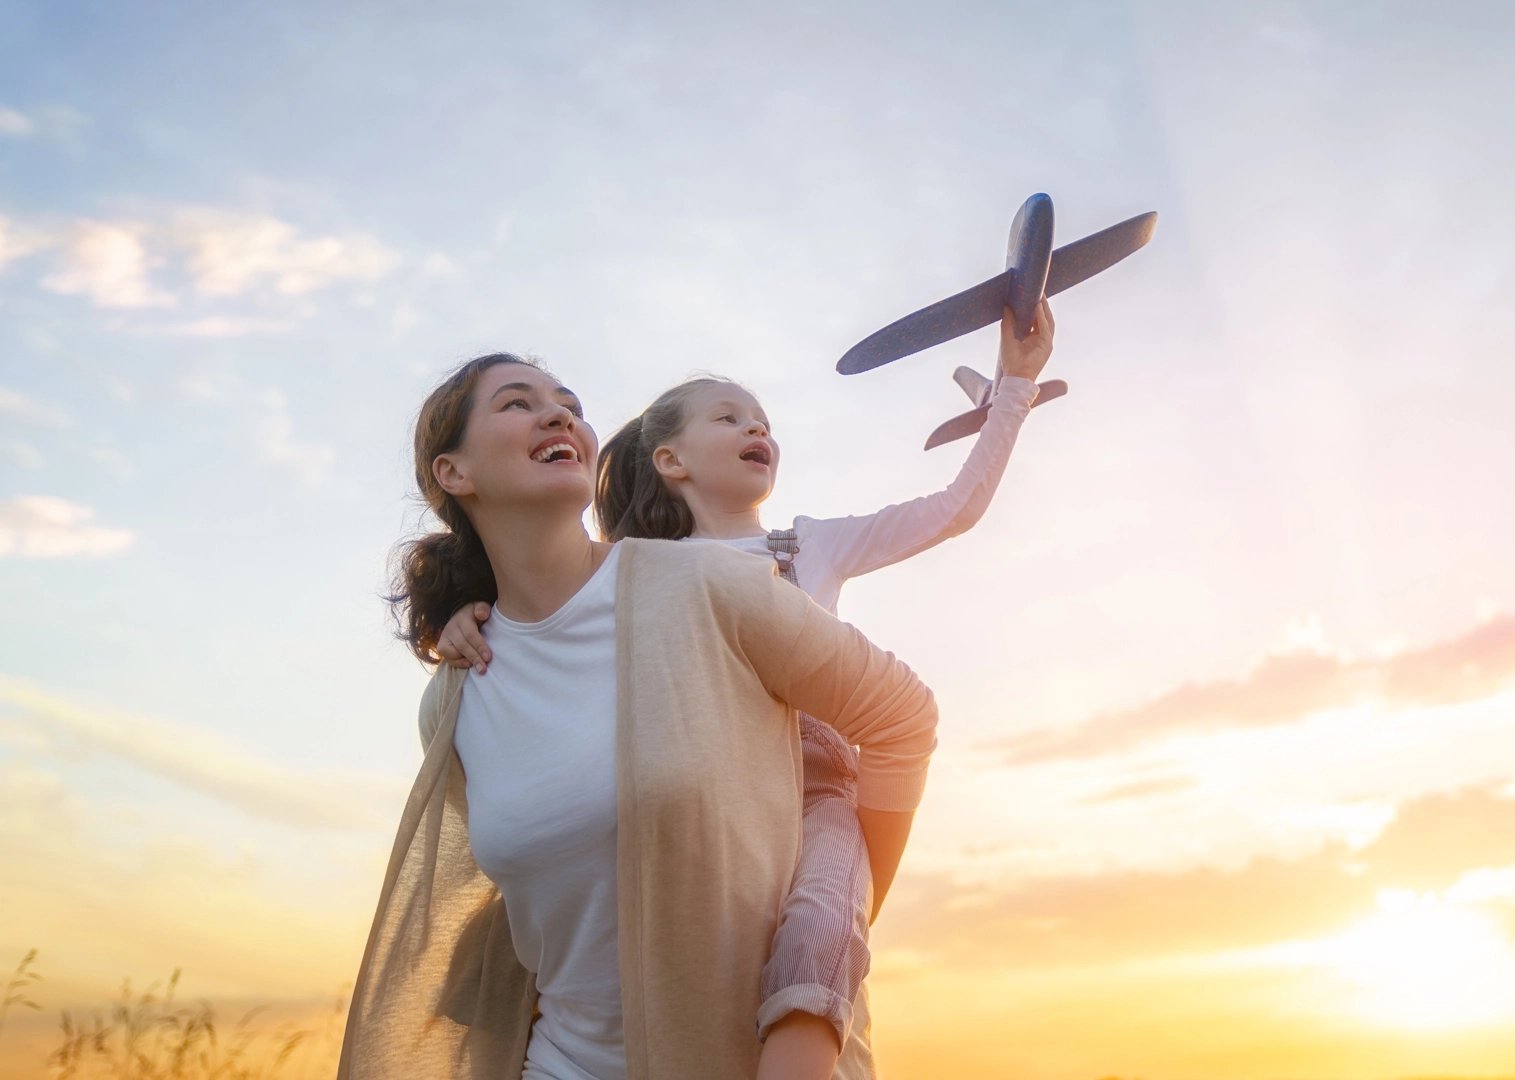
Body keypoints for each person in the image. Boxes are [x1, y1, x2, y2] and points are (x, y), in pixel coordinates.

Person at [436, 301, 1056, 1077]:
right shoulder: (640, 579)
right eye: (728, 418)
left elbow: (951, 511)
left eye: (761, 420)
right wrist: (462, 613)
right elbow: (547, 600)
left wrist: (1013, 392)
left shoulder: (803, 545)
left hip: (818, 773)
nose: (756, 430)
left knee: (819, 924)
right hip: (707, 783)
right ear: (670, 460)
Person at [338, 353, 939, 1080]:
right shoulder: (457, 694)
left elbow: (901, 718)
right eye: (517, 404)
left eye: (568, 403)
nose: (559, 414)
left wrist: (839, 913)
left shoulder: (707, 588)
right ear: (453, 473)